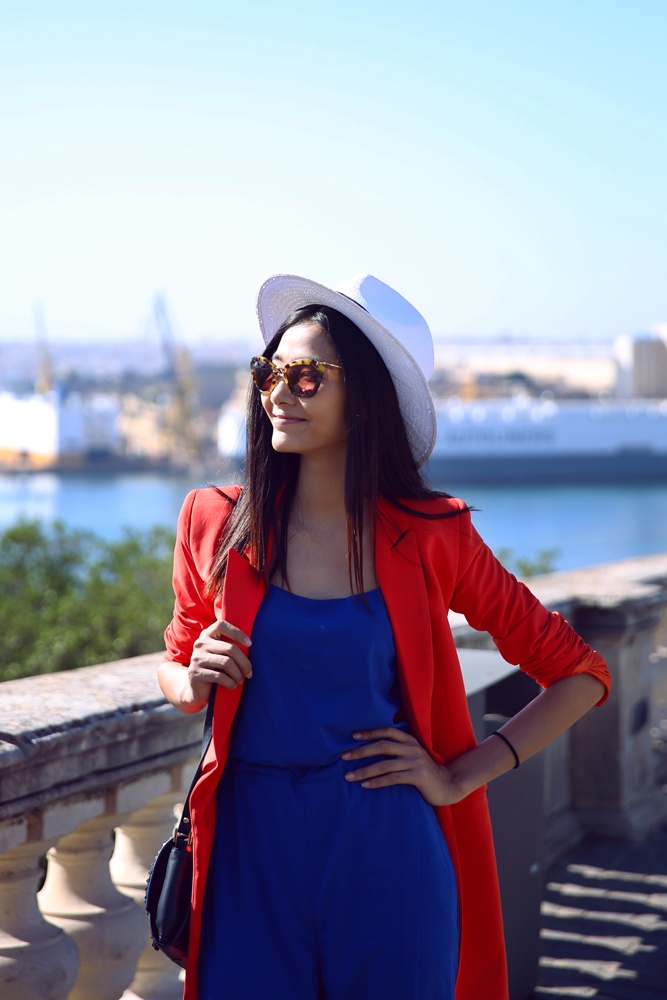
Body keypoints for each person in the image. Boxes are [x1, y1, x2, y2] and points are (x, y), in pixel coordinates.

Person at [157, 273, 611, 1000]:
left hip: (387, 852)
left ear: (366, 400)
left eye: (306, 376)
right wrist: (191, 677)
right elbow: (177, 667)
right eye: (269, 372)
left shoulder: (433, 535)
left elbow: (580, 675)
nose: (278, 394)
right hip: (246, 846)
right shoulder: (212, 520)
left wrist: (459, 776)